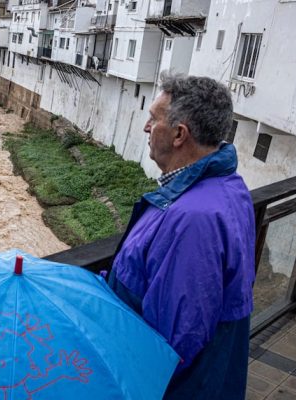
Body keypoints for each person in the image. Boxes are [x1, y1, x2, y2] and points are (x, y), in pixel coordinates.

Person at [107, 72, 255, 399]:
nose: (146, 128)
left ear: (178, 134)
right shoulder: (228, 190)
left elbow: (173, 343)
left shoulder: (193, 219)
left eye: (153, 119)